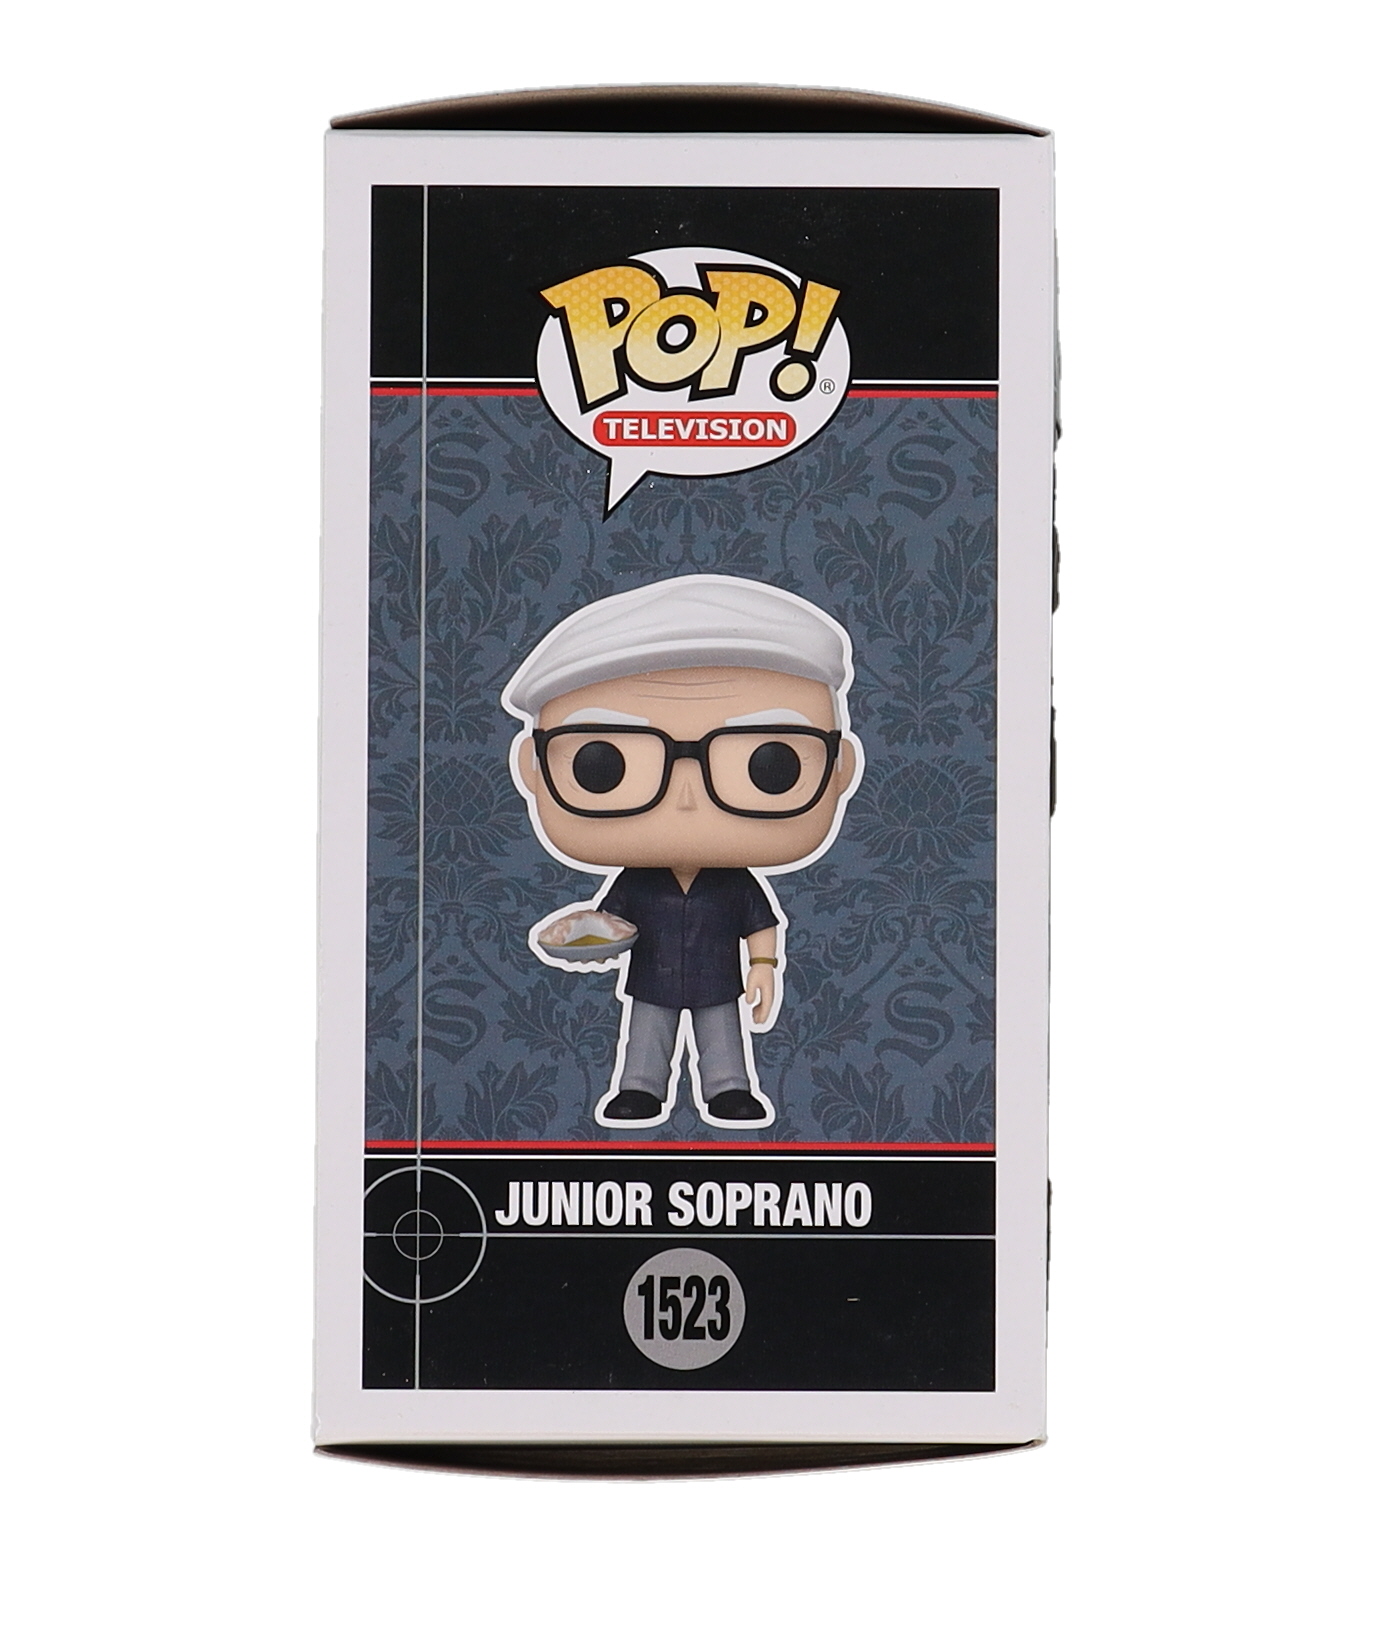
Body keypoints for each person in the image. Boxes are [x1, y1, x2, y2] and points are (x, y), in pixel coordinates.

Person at [503, 574, 862, 1130]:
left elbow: (761, 925)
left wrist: (764, 968)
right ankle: (640, 1088)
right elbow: (610, 922)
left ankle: (729, 1088)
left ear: (840, 771)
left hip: (719, 978)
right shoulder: (637, 880)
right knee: (647, 1032)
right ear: (533, 768)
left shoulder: (734, 881)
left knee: (722, 1033)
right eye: (603, 765)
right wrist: (583, 935)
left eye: (770, 765)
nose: (687, 797)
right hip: (654, 978)